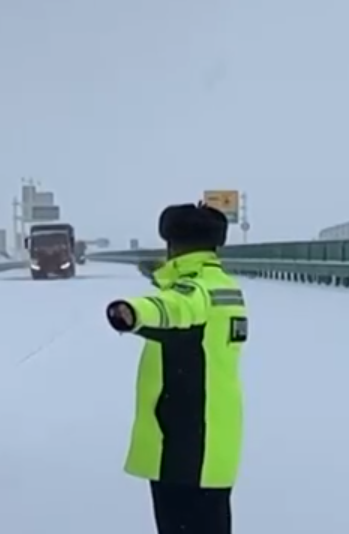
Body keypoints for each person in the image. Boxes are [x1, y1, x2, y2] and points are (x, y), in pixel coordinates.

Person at [105, 203, 247, 534]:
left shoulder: (193, 291)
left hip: (183, 443)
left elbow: (175, 307)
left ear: (172, 246)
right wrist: (163, 275)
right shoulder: (222, 285)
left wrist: (131, 312)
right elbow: (185, 297)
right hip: (212, 439)